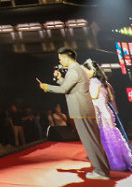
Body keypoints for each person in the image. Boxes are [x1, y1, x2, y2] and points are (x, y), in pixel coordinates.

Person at [39, 49, 111, 180]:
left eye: (60, 58)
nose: (60, 61)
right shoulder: (78, 69)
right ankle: (102, 169)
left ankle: (101, 172)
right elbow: (70, 88)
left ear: (67, 58)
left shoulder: (74, 70)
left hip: (81, 110)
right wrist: (60, 79)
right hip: (84, 110)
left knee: (90, 141)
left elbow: (64, 89)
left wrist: (46, 87)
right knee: (93, 141)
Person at [82, 60, 132, 172]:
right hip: (105, 111)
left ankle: (114, 163)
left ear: (92, 70)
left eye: (86, 70)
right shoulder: (101, 81)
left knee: (107, 138)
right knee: (112, 137)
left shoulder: (94, 82)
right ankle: (119, 161)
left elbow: (93, 97)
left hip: (101, 114)